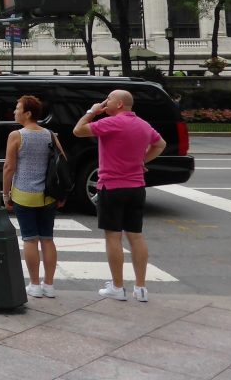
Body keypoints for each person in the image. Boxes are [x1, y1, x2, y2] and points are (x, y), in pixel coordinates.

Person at [74, 89, 167, 303]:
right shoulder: (143, 125)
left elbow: (78, 130)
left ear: (118, 105)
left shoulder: (112, 123)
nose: (105, 102)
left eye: (109, 99)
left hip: (112, 187)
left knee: (113, 237)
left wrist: (92, 111)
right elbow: (160, 144)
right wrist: (143, 160)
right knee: (136, 235)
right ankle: (141, 288)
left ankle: (117, 286)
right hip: (136, 188)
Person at [2, 95, 63, 299]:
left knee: (30, 239)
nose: (15, 112)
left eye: (18, 108)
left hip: (24, 193)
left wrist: (5, 193)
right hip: (48, 196)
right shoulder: (50, 135)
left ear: (28, 113)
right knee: (47, 239)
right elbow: (62, 161)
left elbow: (9, 167)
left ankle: (35, 284)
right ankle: (49, 285)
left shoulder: (17, 135)